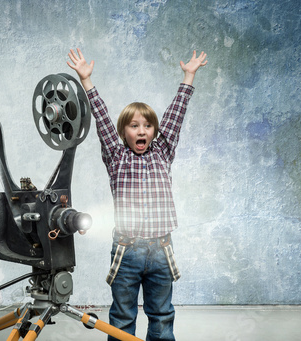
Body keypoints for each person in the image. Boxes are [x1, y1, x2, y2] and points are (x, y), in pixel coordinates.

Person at [67, 48, 207, 341]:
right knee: (122, 316)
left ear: (154, 131)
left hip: (161, 250)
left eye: (147, 125)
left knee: (162, 314)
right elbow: (102, 118)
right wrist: (86, 80)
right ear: (123, 132)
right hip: (127, 251)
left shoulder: (163, 151)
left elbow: (176, 115)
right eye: (134, 126)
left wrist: (189, 76)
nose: (141, 130)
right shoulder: (116, 156)